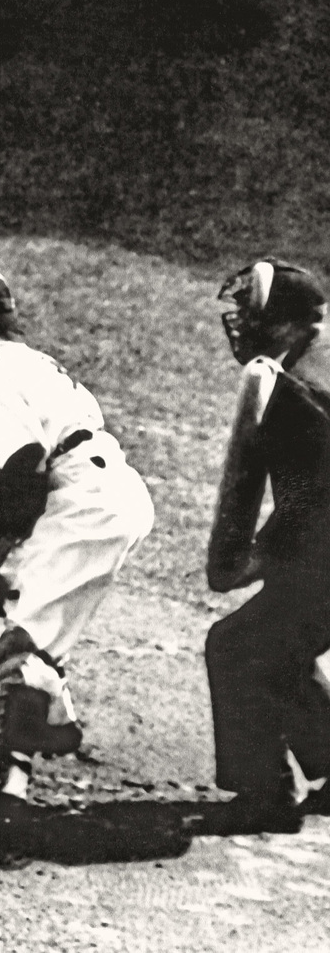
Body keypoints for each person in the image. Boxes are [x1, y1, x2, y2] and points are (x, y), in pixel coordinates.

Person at [0, 257, 154, 806]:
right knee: (26, 602)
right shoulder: (28, 362)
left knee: (22, 643)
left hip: (85, 504)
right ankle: (54, 720)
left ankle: (7, 782)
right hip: (106, 493)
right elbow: (32, 486)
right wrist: (2, 550)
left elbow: (25, 475)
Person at [204, 259, 330, 833]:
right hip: (318, 554)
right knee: (280, 646)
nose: (242, 325)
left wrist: (261, 552)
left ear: (287, 323)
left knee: (236, 648)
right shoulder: (299, 377)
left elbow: (317, 490)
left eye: (253, 314)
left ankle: (266, 794)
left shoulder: (283, 383)